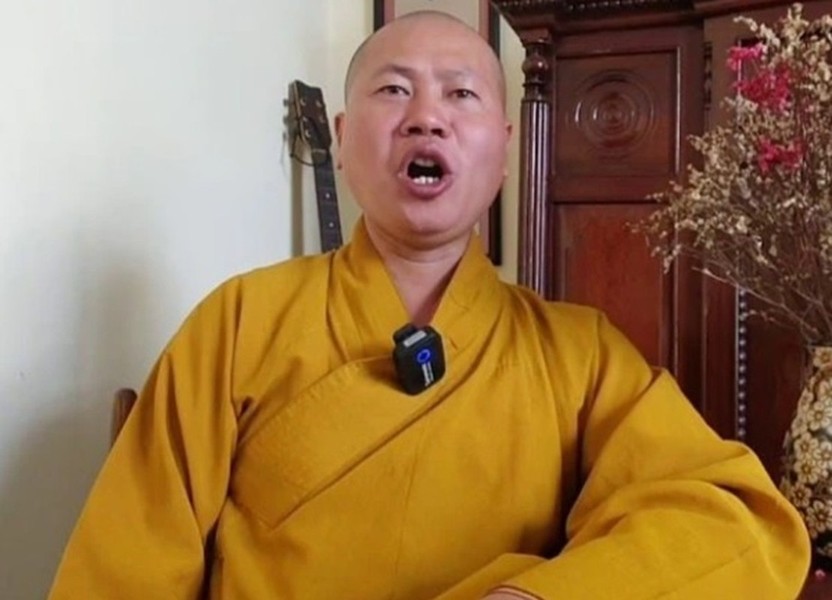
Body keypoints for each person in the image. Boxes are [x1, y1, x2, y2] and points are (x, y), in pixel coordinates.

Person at [48, 10, 810, 600]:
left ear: (504, 151)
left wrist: (542, 597)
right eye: (393, 89)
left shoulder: (580, 354)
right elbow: (122, 569)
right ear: (342, 138)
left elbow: (737, 520)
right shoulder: (239, 320)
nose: (426, 115)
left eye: (461, 93)